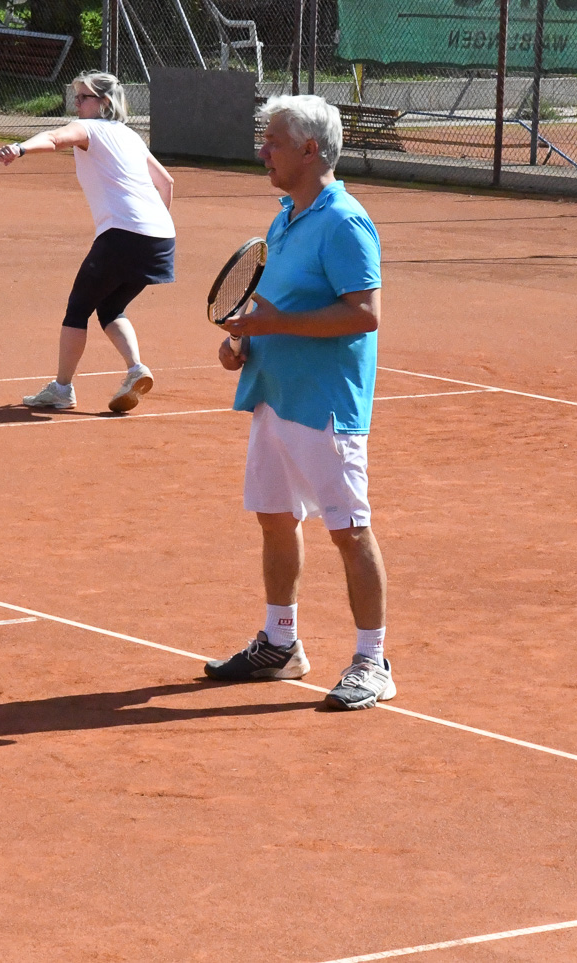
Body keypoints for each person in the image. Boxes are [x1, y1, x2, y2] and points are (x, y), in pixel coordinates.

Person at [204, 95, 392, 711]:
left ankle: (372, 660)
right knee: (275, 520)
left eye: (274, 141)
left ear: (310, 150)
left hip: (327, 406)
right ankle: (281, 646)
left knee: (349, 530)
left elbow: (363, 315)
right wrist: (243, 344)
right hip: (273, 398)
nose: (263, 151)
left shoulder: (344, 222)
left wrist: (271, 326)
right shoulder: (285, 218)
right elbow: (269, 312)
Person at [0, 70, 175, 413]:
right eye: (75, 97)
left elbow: (53, 139)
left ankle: (62, 389)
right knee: (109, 308)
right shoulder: (131, 137)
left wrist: (19, 148)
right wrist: (152, 227)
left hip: (124, 234)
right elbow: (166, 183)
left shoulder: (89, 129)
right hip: (161, 238)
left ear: (104, 103)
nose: (76, 104)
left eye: (83, 98)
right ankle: (136, 369)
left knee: (78, 309)